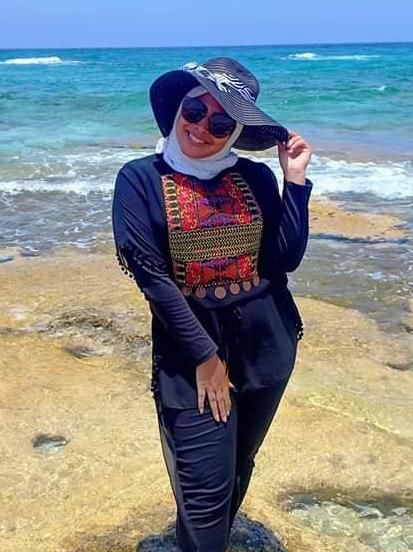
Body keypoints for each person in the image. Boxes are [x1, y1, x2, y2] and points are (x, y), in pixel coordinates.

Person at [112, 57, 313, 552]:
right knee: (203, 486)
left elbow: (283, 260)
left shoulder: (255, 177)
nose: (202, 127)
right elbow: (154, 279)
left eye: (221, 123)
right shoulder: (139, 180)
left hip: (268, 348)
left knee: (238, 464)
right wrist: (206, 358)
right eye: (195, 110)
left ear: (235, 132)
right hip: (190, 355)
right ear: (178, 109)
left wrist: (295, 182)